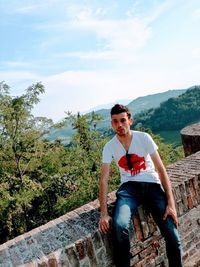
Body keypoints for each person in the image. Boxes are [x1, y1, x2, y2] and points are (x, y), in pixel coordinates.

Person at [98, 104, 182, 267]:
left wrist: (171, 204)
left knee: (172, 235)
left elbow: (161, 169)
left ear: (130, 120)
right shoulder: (109, 146)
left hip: (152, 185)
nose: (119, 125)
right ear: (111, 124)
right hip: (129, 189)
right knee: (119, 225)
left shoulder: (143, 138)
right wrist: (103, 213)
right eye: (115, 122)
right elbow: (104, 180)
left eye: (123, 120)